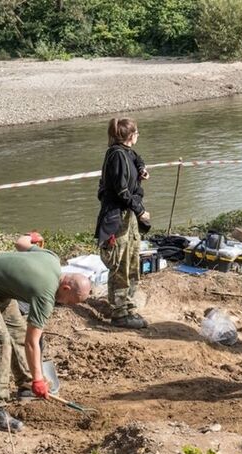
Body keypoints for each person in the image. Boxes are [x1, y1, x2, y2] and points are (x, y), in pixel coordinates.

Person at [0, 236, 91, 432]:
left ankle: (26, 385)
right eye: (71, 301)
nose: (68, 305)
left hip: (0, 292)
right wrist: (40, 378)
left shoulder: (52, 259)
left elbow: (21, 243)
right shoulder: (45, 294)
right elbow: (33, 342)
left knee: (18, 333)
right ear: (65, 287)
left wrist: (33, 237)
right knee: (0, 341)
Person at [95, 117, 151, 329]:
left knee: (133, 261)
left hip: (128, 217)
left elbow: (136, 158)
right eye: (137, 132)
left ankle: (128, 306)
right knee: (121, 264)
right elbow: (121, 191)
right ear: (130, 135)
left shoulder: (126, 152)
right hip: (117, 218)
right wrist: (141, 210)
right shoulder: (117, 155)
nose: (138, 136)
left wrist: (142, 169)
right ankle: (119, 313)